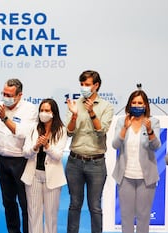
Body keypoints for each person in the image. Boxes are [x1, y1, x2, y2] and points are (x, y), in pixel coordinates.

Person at [0, 78, 38, 233]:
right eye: (3, 93)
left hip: (22, 161)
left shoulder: (30, 109)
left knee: (25, 202)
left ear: (19, 95)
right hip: (2, 161)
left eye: (9, 94)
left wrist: (4, 118)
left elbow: (22, 133)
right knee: (8, 202)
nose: (5, 97)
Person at [65, 70, 114, 233]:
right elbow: (69, 132)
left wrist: (92, 112)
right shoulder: (75, 104)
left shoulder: (107, 106)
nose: (83, 88)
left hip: (96, 162)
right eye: (81, 84)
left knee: (95, 206)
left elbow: (102, 131)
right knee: (74, 204)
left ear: (96, 86)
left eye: (87, 85)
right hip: (74, 162)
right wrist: (73, 116)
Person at [112, 90, 160, 233]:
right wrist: (124, 129)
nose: (137, 105)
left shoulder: (153, 122)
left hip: (146, 178)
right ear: (129, 104)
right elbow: (115, 145)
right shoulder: (122, 121)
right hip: (125, 176)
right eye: (134, 102)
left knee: (143, 217)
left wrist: (150, 131)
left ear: (145, 105)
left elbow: (156, 146)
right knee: (126, 217)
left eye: (140, 103)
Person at [20, 98, 67, 233]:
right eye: (41, 110)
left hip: (52, 177)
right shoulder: (33, 128)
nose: (43, 113)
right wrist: (36, 146)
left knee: (51, 216)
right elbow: (25, 152)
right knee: (33, 214)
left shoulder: (61, 130)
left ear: (53, 113)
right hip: (33, 176)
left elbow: (57, 156)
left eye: (47, 110)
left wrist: (46, 145)